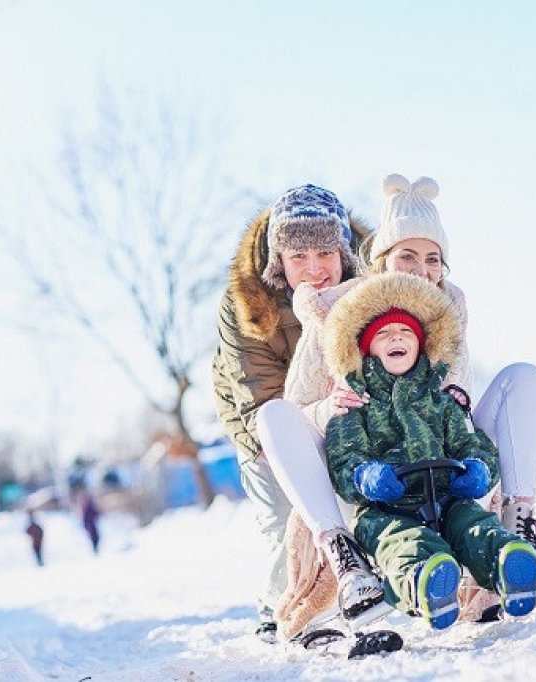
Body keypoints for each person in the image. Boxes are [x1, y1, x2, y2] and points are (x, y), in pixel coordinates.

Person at [262, 174, 536, 633]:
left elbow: (458, 406)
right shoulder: (336, 309)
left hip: (446, 466)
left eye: (432, 259)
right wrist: (329, 411)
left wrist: (471, 459)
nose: (421, 270)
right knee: (272, 416)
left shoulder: (451, 306)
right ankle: (348, 564)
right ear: (381, 260)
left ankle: (516, 531)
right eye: (407, 256)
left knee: (523, 378)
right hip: (369, 482)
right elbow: (296, 409)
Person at [322, 271, 536, 629]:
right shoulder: (355, 406)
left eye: (406, 332)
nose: (397, 336)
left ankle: (509, 566)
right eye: (384, 333)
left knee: (474, 525)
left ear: (421, 346)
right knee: (403, 542)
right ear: (366, 349)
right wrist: (365, 475)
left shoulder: (441, 402)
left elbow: (471, 443)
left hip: (447, 497)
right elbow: (344, 459)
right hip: (387, 508)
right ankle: (423, 582)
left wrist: (477, 468)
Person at [211, 184, 374, 641]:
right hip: (261, 416)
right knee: (288, 513)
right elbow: (258, 394)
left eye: (325, 252)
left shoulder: (370, 282)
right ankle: (280, 605)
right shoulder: (246, 302)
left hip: (338, 408)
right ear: (278, 261)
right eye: (298, 257)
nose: (315, 269)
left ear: (343, 250)